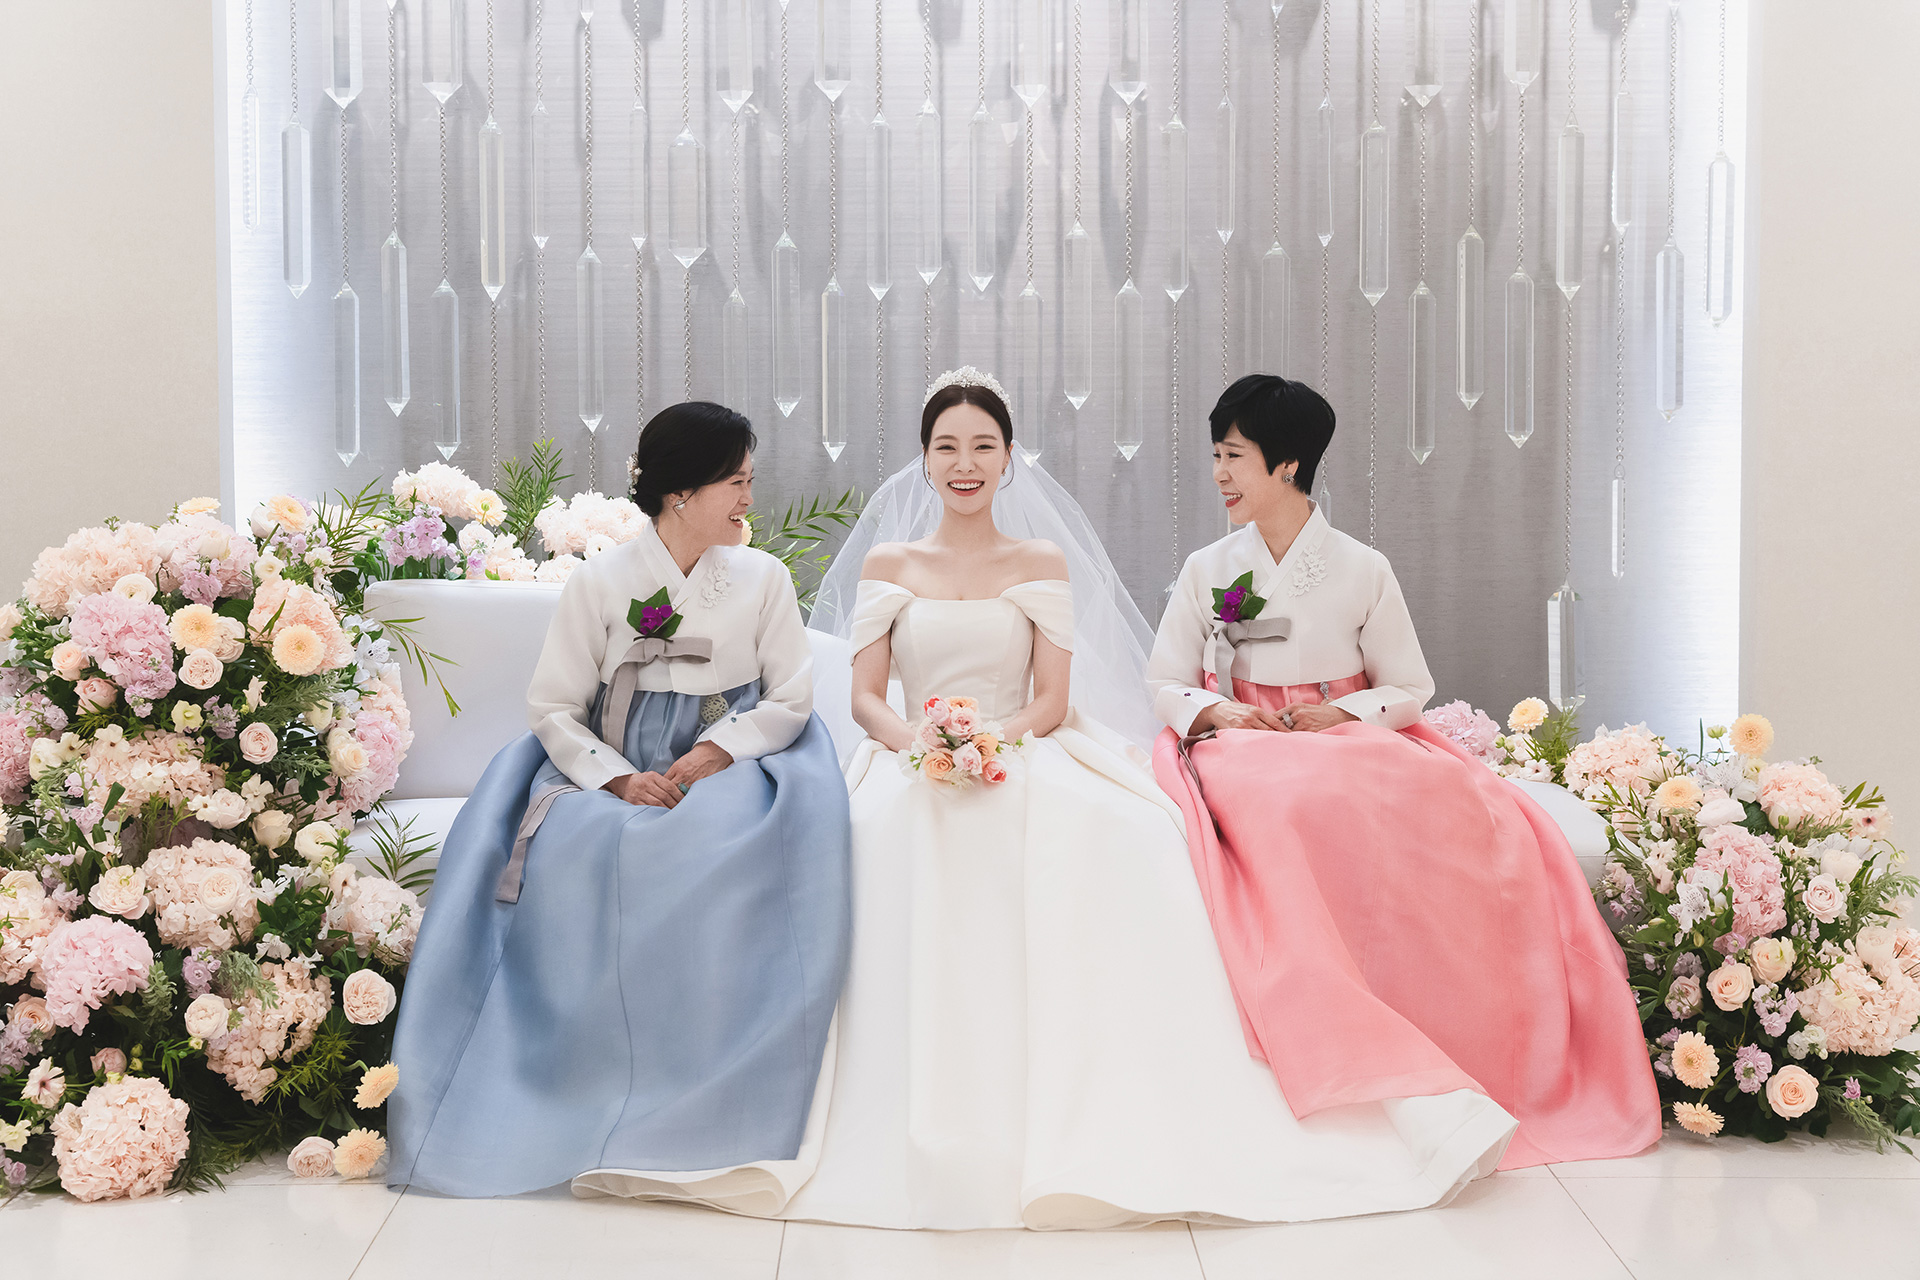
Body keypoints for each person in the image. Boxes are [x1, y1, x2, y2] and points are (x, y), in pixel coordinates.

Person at [776, 368, 1519, 1231]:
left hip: (1024, 745)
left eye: (983, 446)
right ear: (924, 458)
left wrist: (991, 743)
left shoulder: (1039, 561)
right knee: (870, 830)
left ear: (1010, 459)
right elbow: (868, 698)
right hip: (910, 755)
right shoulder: (890, 564)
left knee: (1125, 831)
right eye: (948, 447)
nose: (965, 463)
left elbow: (1052, 699)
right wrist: (925, 745)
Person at [1148, 374, 1661, 1170]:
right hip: (1246, 741)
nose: (1218, 473)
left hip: (1345, 736)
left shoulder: (1362, 567)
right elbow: (1165, 679)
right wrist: (1220, 713)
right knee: (1281, 796)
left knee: (1432, 801)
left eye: (1234, 456)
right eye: (1216, 455)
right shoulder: (1208, 566)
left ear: (1288, 464)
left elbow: (1408, 686)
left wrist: (1342, 714)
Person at [387, 402, 851, 1202]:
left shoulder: (763, 578)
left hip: (731, 759)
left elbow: (791, 696)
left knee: (709, 843)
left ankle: (705, 1097)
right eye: (736, 482)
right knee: (583, 845)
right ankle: (570, 1087)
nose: (749, 497)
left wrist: (718, 750)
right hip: (613, 761)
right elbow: (554, 706)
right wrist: (617, 779)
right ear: (681, 492)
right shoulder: (601, 583)